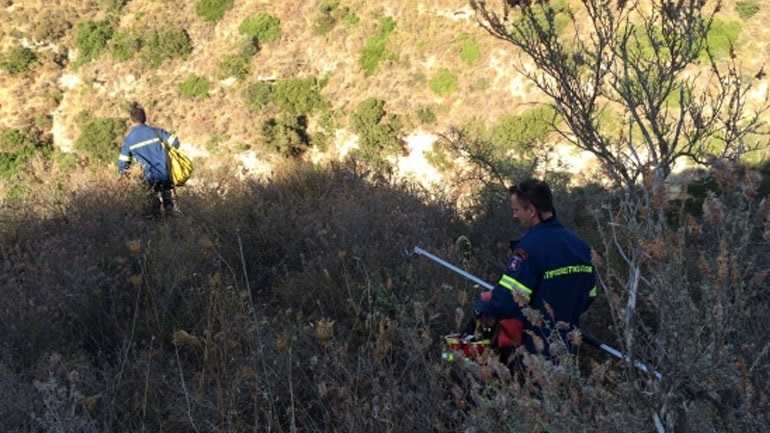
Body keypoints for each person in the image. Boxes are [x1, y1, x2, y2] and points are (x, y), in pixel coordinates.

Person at [474, 179, 597, 360]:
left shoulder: (528, 248)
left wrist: (482, 306)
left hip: (535, 353)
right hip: (569, 348)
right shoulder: (580, 245)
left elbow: (508, 300)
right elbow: (590, 295)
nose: (514, 216)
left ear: (531, 211)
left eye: (516, 210)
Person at [118, 105, 182, 216]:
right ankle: (172, 226)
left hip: (147, 178)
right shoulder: (156, 132)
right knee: (170, 208)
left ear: (131, 120)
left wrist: (123, 174)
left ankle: (156, 226)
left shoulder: (128, 140)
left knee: (152, 209)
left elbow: (123, 164)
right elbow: (175, 142)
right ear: (145, 118)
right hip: (164, 174)